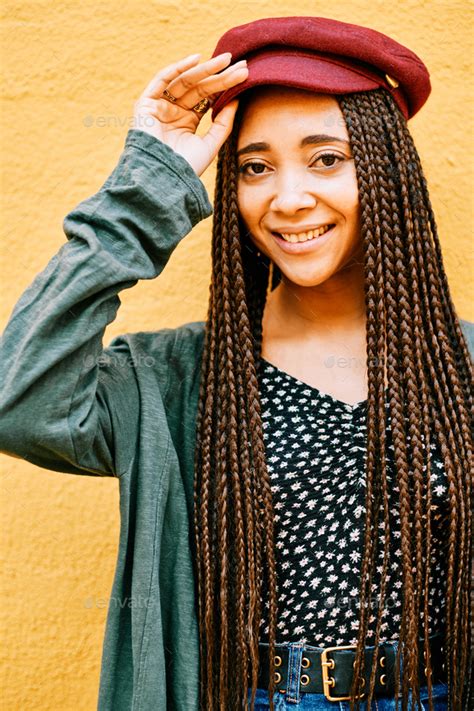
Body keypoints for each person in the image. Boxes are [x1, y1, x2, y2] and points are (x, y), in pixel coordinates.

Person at [0, 14, 472, 711]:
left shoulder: (460, 367)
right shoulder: (174, 380)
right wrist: (148, 185)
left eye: (326, 158)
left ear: (386, 168)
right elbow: (20, 399)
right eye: (255, 167)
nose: (287, 198)